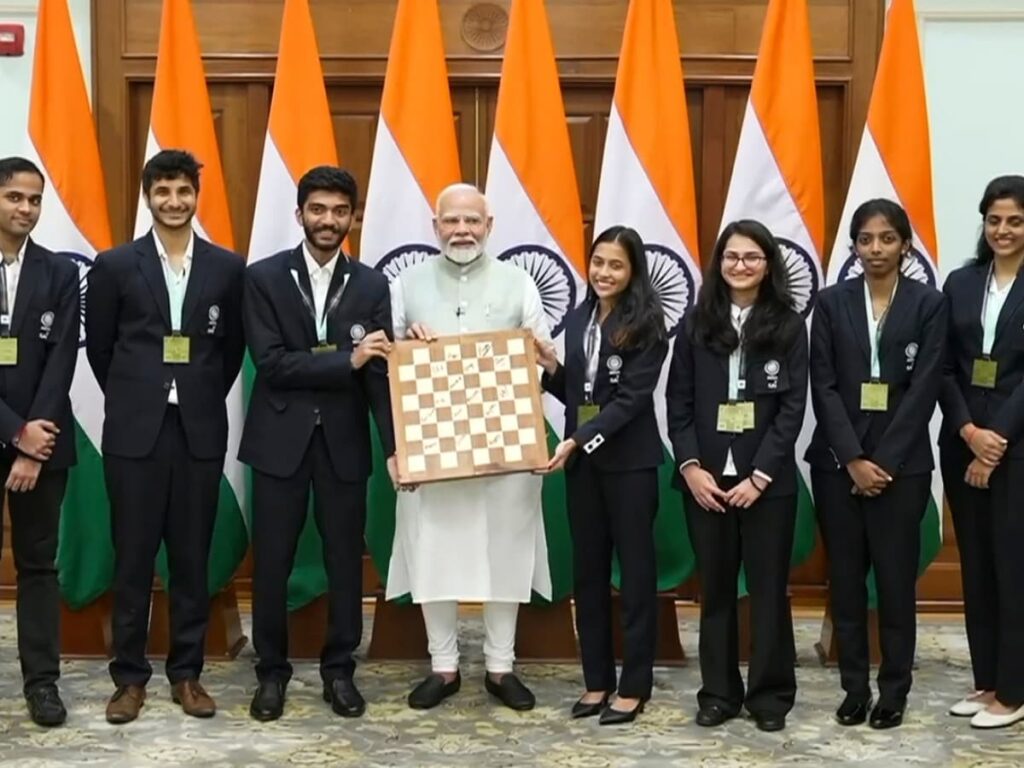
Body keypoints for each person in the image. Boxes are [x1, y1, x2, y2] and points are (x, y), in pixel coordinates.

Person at [85, 149, 245, 724]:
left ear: (196, 197)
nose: (174, 202)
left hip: (198, 430)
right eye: (163, 192)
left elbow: (230, 353)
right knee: (131, 558)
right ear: (148, 196)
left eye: (183, 192)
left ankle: (187, 674)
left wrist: (191, 392)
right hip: (134, 434)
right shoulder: (114, 265)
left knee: (190, 559)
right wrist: (142, 393)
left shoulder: (228, 268)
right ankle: (129, 678)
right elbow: (101, 349)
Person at [386, 183, 552, 711]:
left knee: (506, 552)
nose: (462, 231)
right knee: (433, 551)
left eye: (472, 222)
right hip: (431, 453)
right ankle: (444, 665)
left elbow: (540, 364)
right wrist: (409, 347)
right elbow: (387, 368)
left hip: (505, 452)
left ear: (489, 225)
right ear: (435, 227)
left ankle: (501, 667)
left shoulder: (519, 283)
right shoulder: (405, 285)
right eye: (451, 222)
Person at [240, 166, 396, 722]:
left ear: (353, 217)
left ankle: (339, 671)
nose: (328, 221)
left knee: (344, 563)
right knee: (273, 563)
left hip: (345, 443)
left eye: (339, 211)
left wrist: (396, 447)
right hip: (279, 440)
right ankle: (271, 673)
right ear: (299, 213)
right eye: (318, 210)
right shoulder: (262, 278)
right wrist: (345, 361)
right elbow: (272, 364)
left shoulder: (375, 285)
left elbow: (379, 376)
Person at [807, 199, 947, 730]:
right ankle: (853, 687)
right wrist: (853, 460)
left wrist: (882, 461)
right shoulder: (831, 301)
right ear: (854, 247)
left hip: (902, 468)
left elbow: (926, 385)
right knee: (844, 581)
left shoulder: (927, 304)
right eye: (865, 240)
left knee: (893, 582)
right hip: (837, 465)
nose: (876, 249)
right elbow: (823, 384)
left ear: (904, 245)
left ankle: (893, 689)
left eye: (887, 239)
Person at [667, 219, 807, 732]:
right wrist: (691, 469)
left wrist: (761, 476)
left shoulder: (789, 325)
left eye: (751, 257)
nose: (740, 266)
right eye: (731, 256)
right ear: (718, 263)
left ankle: (770, 698)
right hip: (706, 484)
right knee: (717, 593)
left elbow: (792, 408)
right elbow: (677, 401)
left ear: (768, 264)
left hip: (766, 486)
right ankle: (718, 694)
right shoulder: (695, 322)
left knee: (769, 592)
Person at [534, 225, 666, 725]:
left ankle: (634, 685)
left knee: (634, 576)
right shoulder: (578, 317)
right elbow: (581, 394)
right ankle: (596, 681)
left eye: (615, 265)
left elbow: (631, 400)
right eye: (597, 263)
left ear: (632, 272)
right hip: (584, 467)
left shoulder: (648, 323)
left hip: (629, 465)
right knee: (587, 574)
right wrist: (550, 370)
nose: (603, 273)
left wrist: (576, 440)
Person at [940, 175, 1024, 729]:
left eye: (1015, 220)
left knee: (1012, 566)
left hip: (1016, 444)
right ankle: (987, 678)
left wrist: (995, 440)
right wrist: (970, 432)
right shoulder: (962, 281)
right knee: (976, 566)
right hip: (963, 439)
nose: (1003, 230)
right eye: (994, 220)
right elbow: (942, 366)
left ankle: (1014, 693)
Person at [0, 157, 79, 727]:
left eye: (33, 199)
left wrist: (32, 443)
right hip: (14, 429)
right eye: (13, 198)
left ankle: (42, 685)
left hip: (44, 442)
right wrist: (12, 431)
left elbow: (62, 359)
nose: (25, 208)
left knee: (38, 566)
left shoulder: (58, 272)